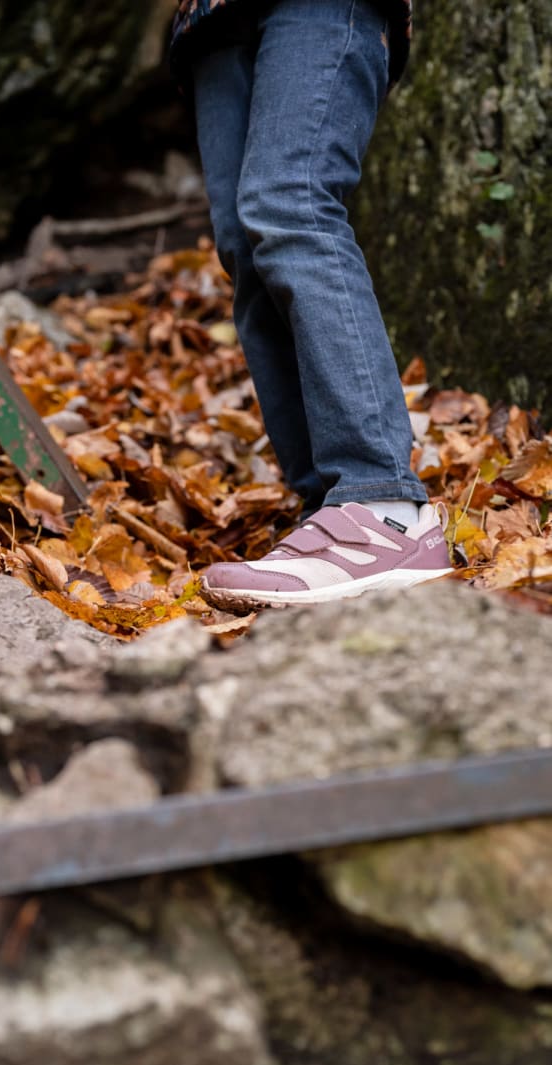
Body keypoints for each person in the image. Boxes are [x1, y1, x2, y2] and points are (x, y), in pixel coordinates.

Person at [170, 0, 452, 610]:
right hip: (209, 17)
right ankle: (328, 513)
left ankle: (383, 505)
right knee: (246, 249)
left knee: (291, 205)